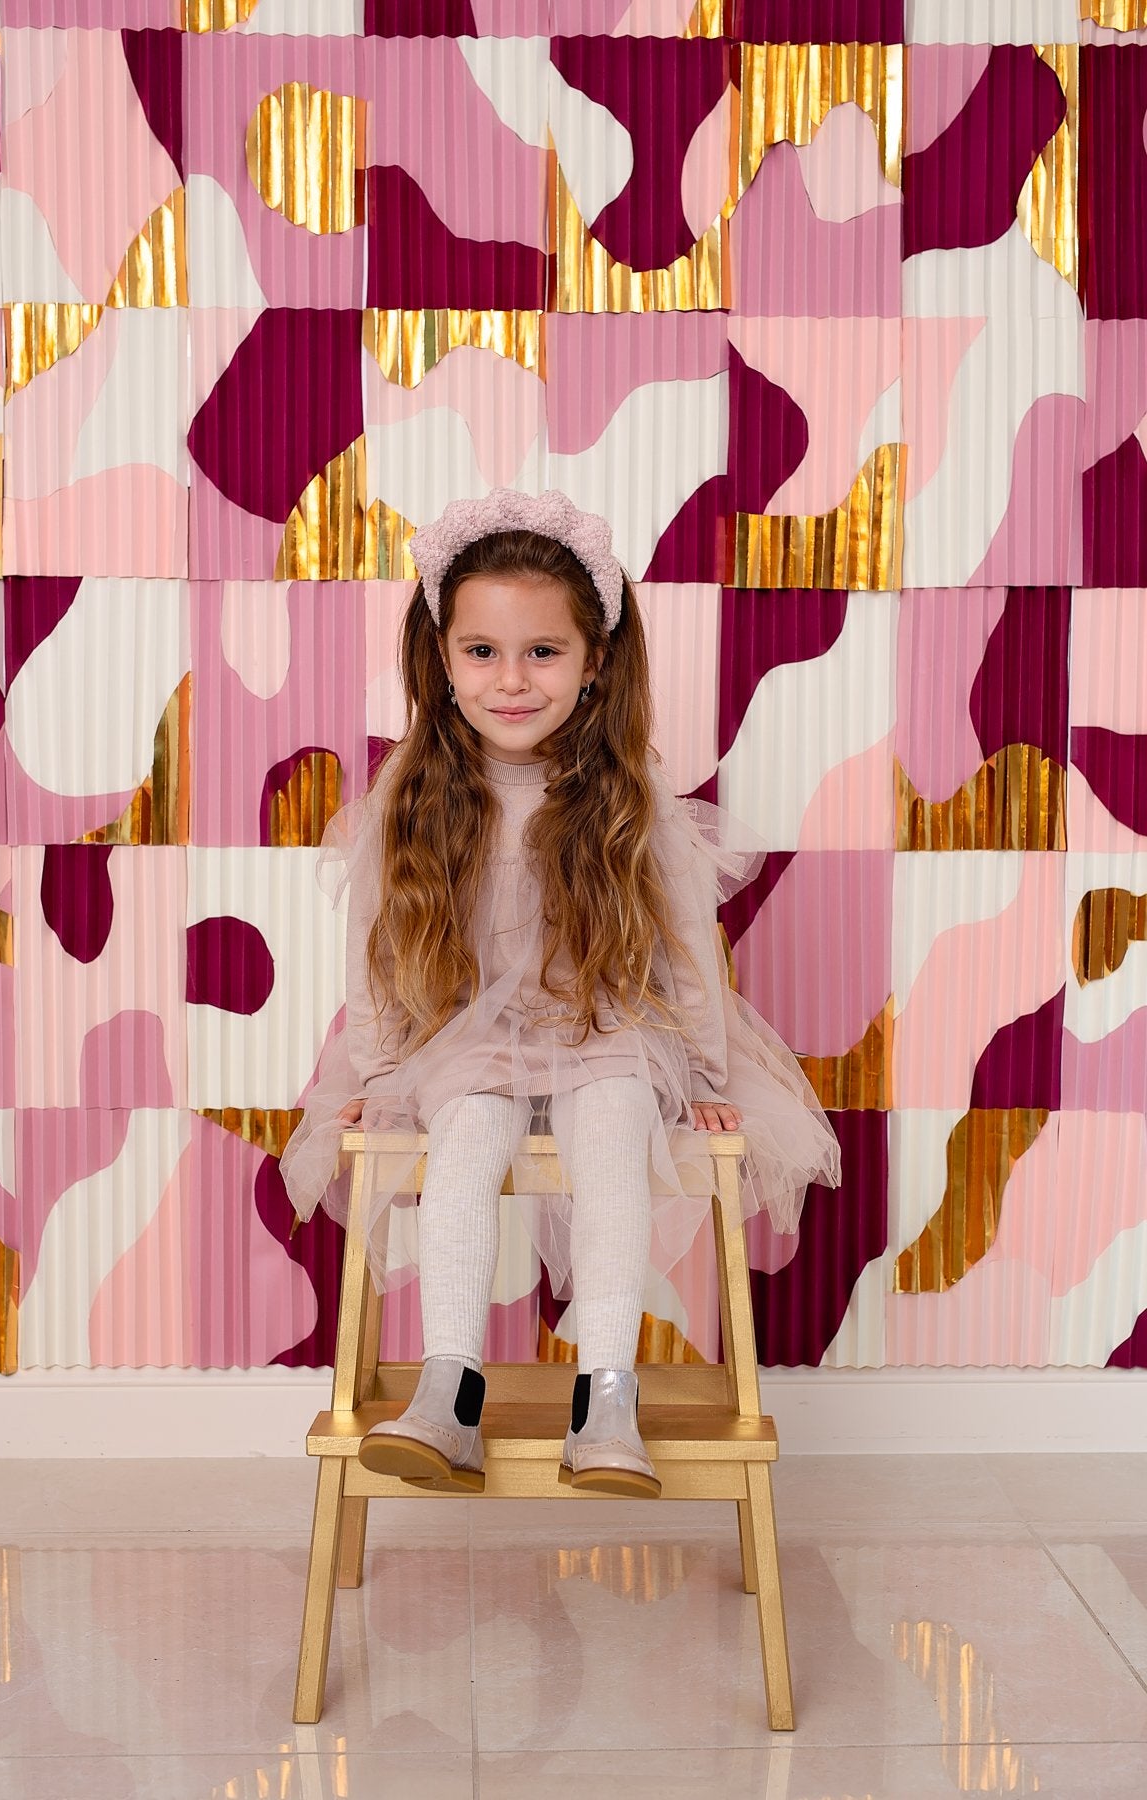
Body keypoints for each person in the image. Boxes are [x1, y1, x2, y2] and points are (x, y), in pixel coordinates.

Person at [280, 487, 841, 1498]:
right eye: (482, 652)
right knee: (464, 1143)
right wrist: (384, 1075)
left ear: (593, 665)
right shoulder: (410, 797)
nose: (511, 680)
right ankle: (448, 1393)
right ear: (442, 659)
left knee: (615, 1135)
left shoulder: (626, 796)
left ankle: (606, 1398)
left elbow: (685, 952)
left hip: (610, 1029)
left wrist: (704, 1077)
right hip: (467, 1039)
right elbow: (380, 957)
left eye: (543, 651)